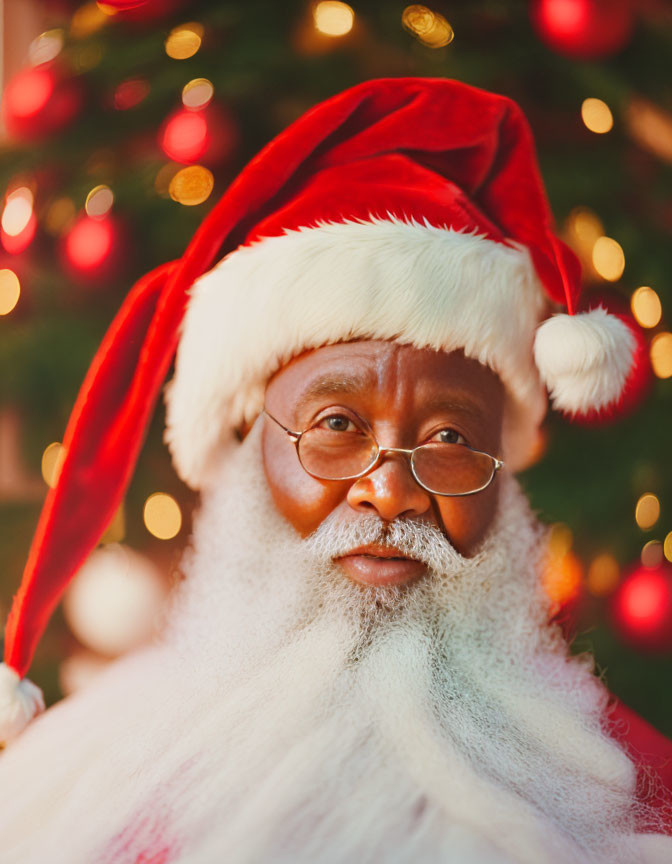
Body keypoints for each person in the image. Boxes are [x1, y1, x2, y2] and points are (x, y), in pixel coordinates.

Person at [0, 78, 670, 864]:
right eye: (337, 426)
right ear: (251, 444)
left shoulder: (630, 793)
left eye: (452, 437)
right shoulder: (72, 793)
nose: (391, 491)